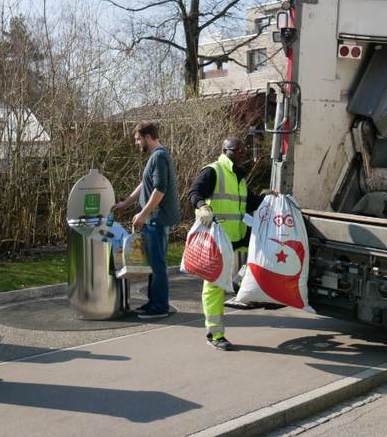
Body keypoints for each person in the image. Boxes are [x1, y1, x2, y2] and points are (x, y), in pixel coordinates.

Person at [187, 137, 271, 350]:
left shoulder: (239, 176)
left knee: (255, 264)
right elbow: (194, 194)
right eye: (238, 150)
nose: (243, 153)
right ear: (225, 151)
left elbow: (248, 202)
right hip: (218, 240)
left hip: (238, 236)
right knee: (214, 286)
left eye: (245, 150)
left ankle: (241, 291)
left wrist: (267, 198)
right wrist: (203, 207)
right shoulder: (213, 171)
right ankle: (215, 335)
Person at [112, 121, 180, 319]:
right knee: (153, 264)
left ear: (148, 137)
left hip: (157, 220)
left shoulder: (159, 157)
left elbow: (160, 189)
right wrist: (125, 203)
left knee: (158, 265)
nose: (136, 143)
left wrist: (143, 214)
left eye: (137, 139)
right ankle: (153, 302)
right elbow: (145, 184)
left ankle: (160, 307)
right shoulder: (155, 157)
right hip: (153, 220)